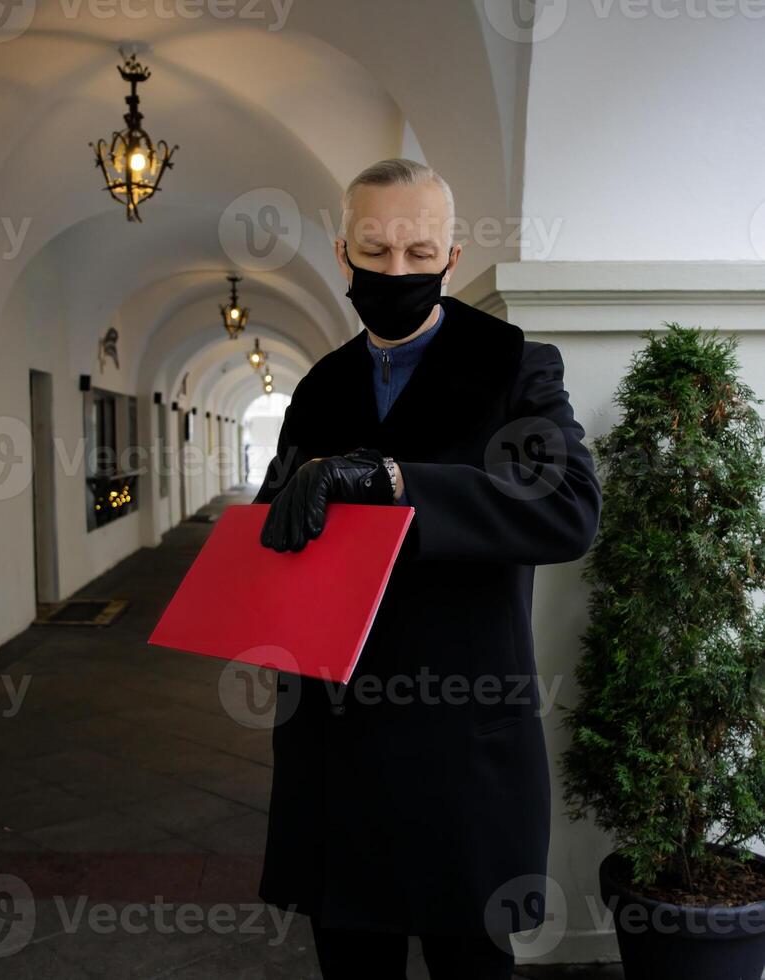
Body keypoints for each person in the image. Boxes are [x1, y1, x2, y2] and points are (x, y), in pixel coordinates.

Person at [252, 158, 603, 979]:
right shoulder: (316, 389)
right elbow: (276, 530)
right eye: (375, 251)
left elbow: (566, 508)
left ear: (451, 258)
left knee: (469, 964)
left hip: (460, 738)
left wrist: (396, 481)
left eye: (418, 252)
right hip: (335, 739)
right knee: (351, 962)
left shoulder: (515, 364)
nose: (396, 269)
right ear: (342, 254)